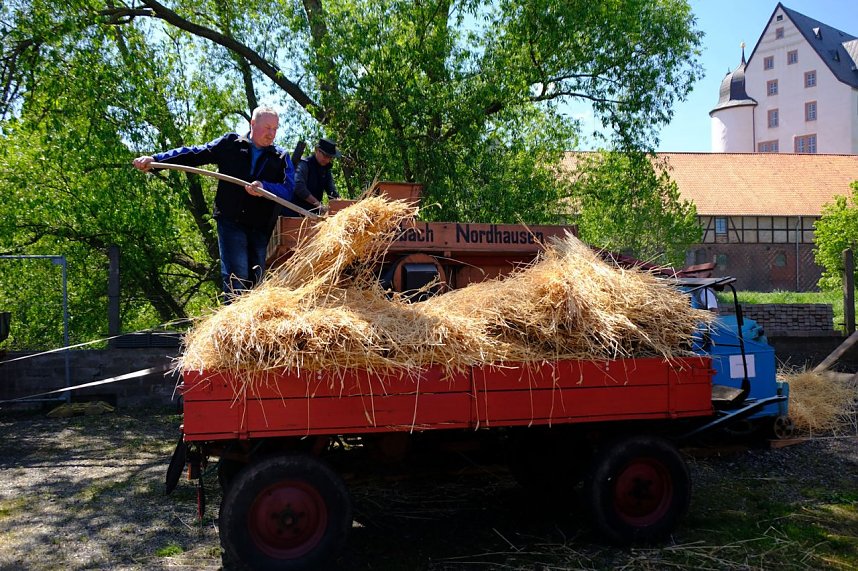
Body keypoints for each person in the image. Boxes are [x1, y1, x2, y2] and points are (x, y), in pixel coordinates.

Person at [133, 106, 295, 299]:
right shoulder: (230, 144)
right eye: (267, 127)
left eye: (275, 129)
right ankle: (235, 325)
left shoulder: (281, 157)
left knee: (256, 281)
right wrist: (156, 160)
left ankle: (250, 326)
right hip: (231, 221)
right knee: (238, 277)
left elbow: (288, 191)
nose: (272, 134)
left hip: (259, 227)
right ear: (253, 124)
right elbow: (194, 154)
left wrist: (265, 188)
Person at [287, 137, 341, 215]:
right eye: (325, 155)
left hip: (313, 215)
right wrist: (318, 205)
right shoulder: (304, 164)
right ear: (317, 150)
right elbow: (298, 187)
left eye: (330, 157)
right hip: (296, 213)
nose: (327, 160)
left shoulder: (326, 170)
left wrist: (341, 204)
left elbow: (332, 192)